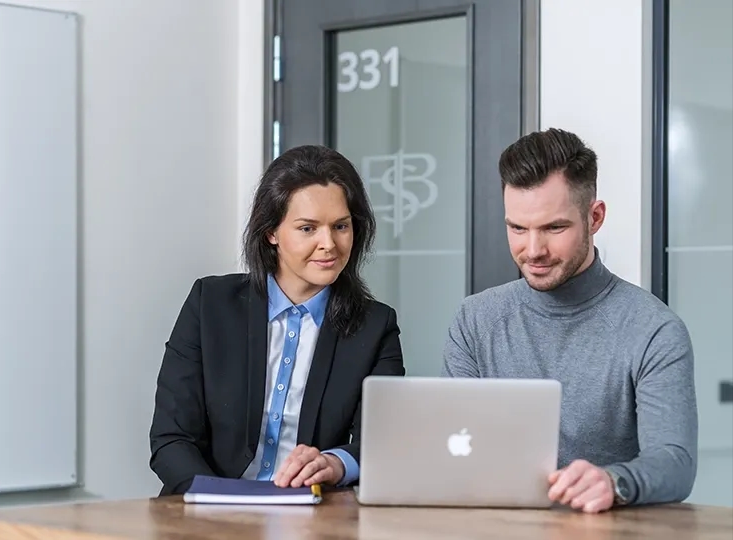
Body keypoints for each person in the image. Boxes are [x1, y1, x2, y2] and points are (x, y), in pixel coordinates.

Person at [442, 128, 698, 513]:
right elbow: (451, 446)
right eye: (517, 228)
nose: (533, 250)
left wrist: (613, 481)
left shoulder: (654, 330)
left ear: (594, 218)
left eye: (554, 228)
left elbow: (676, 463)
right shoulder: (475, 320)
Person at [149, 145, 405, 496]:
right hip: (205, 512)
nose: (328, 243)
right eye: (307, 228)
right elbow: (171, 439)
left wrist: (335, 463)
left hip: (314, 518)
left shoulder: (376, 326)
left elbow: (383, 443)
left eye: (341, 226)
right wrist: (219, 502)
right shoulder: (210, 304)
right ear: (271, 233)